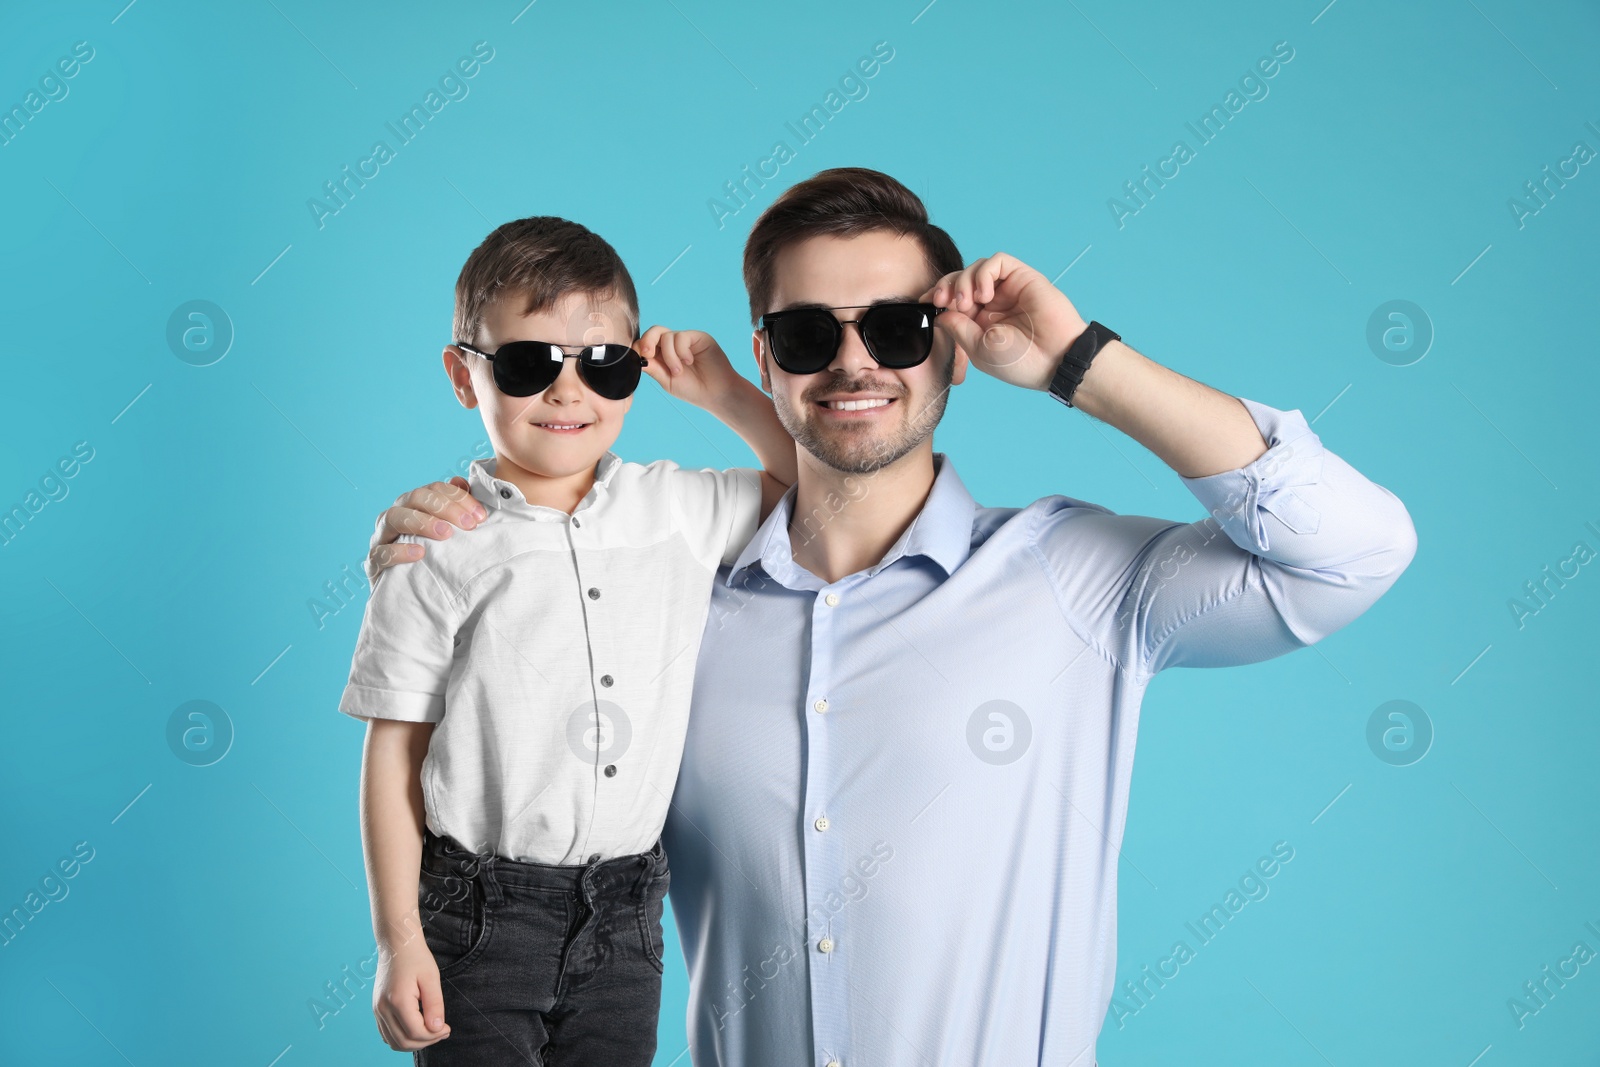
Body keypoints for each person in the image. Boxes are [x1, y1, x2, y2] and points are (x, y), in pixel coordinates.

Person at [366, 169, 1417, 1066]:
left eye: (901, 327)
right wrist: (458, 539)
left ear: (953, 347)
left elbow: (1353, 551)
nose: (856, 361)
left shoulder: (1072, 578)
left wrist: (1075, 363)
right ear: (765, 358)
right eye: (810, 330)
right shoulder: (671, 595)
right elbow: (491, 712)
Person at [339, 215, 797, 1065]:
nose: (568, 391)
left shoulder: (681, 509)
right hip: (478, 912)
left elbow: (814, 484)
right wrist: (399, 938)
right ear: (462, 375)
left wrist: (726, 392)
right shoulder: (431, 542)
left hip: (627, 913)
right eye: (526, 363)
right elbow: (394, 752)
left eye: (604, 364)